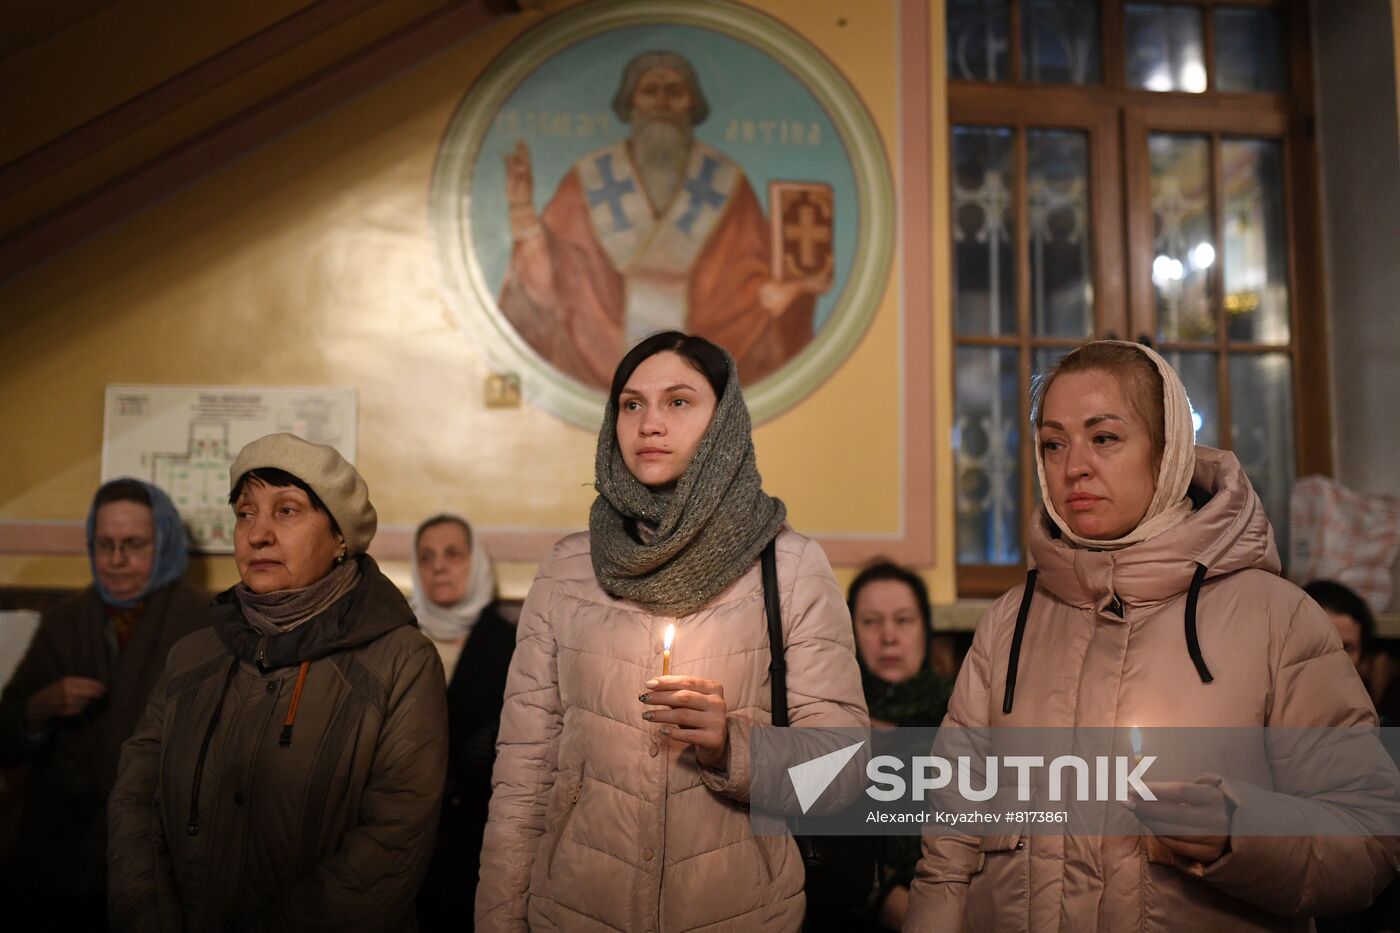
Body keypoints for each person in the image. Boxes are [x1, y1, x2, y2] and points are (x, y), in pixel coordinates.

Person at [907, 340, 1400, 931]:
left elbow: (1371, 836)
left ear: (1168, 451)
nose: (1074, 467)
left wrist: (1237, 832)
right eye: (1054, 443)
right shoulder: (1009, 623)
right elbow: (947, 847)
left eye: (1105, 437)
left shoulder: (1277, 619)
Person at [474, 331, 868, 931]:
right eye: (632, 405)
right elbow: (524, 775)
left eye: (678, 402)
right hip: (577, 910)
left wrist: (730, 746)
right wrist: (498, 921)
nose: (649, 424)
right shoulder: (567, 570)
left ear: (723, 422)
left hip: (740, 912)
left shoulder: (787, 566)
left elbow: (844, 773)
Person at [107, 434, 448, 932]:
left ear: (339, 540)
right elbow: (134, 800)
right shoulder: (190, 657)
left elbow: (393, 840)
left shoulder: (401, 664)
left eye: (286, 511)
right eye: (245, 513)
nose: (258, 534)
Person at [498, 51, 828, 389]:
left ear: (690, 104)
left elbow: (745, 275)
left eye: (674, 91)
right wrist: (523, 211)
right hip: (600, 349)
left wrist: (781, 295)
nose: (662, 102)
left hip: (702, 358)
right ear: (632, 103)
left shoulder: (726, 181)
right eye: (650, 91)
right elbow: (556, 274)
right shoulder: (590, 178)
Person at [0, 479, 206, 928]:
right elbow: (5, 737)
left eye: (133, 545)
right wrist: (40, 707)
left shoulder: (204, 625)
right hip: (61, 859)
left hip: (161, 855)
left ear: (165, 544)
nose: (115, 561)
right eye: (104, 544)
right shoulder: (65, 622)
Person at [410, 513, 515, 932]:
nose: (438, 565)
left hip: (482, 839)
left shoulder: (510, 643)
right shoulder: (399, 640)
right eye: (426, 556)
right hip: (412, 844)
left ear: (475, 563)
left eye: (453, 554)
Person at [847, 561, 954, 931]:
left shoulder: (964, 712)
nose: (888, 637)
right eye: (871, 622)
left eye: (904, 620)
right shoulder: (829, 719)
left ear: (926, 628)